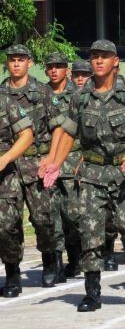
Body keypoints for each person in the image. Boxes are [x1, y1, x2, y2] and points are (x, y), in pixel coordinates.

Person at [42, 39, 125, 312]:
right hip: (92, 173)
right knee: (90, 232)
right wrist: (56, 163)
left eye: (104, 56)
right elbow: (69, 132)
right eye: (94, 57)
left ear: (115, 61)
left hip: (124, 171)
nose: (98, 61)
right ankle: (92, 292)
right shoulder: (80, 97)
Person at [1, 44, 65, 288]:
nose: (16, 64)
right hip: (6, 169)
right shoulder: (1, 93)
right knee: (7, 224)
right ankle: (13, 272)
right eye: (12, 60)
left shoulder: (42, 91)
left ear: (29, 63)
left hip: (35, 164)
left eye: (20, 59)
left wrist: (52, 157)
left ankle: (50, 259)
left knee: (43, 219)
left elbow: (58, 126)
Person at [41, 52, 82, 279]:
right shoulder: (40, 93)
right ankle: (55, 263)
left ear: (67, 69)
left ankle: (75, 258)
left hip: (73, 160)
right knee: (49, 214)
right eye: (50, 67)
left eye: (59, 66)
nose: (54, 70)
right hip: (46, 161)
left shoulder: (79, 94)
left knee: (73, 214)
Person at [0, 93, 33, 297]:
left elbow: (27, 134)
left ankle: (12, 272)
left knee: (6, 227)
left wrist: (5, 159)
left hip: (3, 176)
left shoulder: (5, 101)